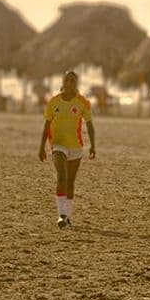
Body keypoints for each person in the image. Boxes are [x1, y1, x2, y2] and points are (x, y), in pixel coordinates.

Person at [38, 71, 96, 228]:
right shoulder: (53, 102)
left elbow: (89, 124)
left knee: (70, 182)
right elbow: (47, 125)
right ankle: (61, 214)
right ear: (63, 82)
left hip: (76, 146)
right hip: (57, 145)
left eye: (73, 81)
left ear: (76, 83)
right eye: (67, 80)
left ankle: (68, 215)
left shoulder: (83, 103)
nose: (70, 83)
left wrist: (93, 145)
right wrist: (42, 146)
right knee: (61, 177)